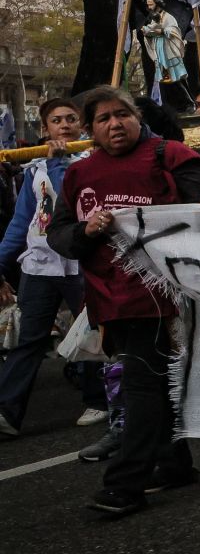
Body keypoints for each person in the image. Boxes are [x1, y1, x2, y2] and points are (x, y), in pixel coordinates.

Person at [48, 87, 200, 516]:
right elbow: (61, 236)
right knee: (153, 384)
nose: (114, 124)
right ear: (91, 129)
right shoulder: (78, 175)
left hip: (160, 295)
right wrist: (85, 232)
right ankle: (175, 463)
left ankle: (125, 484)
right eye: (102, 118)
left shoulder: (170, 156)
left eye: (122, 114)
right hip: (107, 297)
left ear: (138, 117)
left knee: (141, 386)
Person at [0, 98, 109, 439]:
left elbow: (67, 201)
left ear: (82, 126)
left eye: (71, 119)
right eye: (56, 121)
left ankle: (98, 400)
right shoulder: (35, 168)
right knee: (28, 341)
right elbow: (23, 222)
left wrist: (60, 163)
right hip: (40, 265)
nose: (64, 126)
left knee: (92, 333)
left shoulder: (93, 163)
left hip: (81, 262)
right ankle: (7, 412)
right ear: (45, 129)